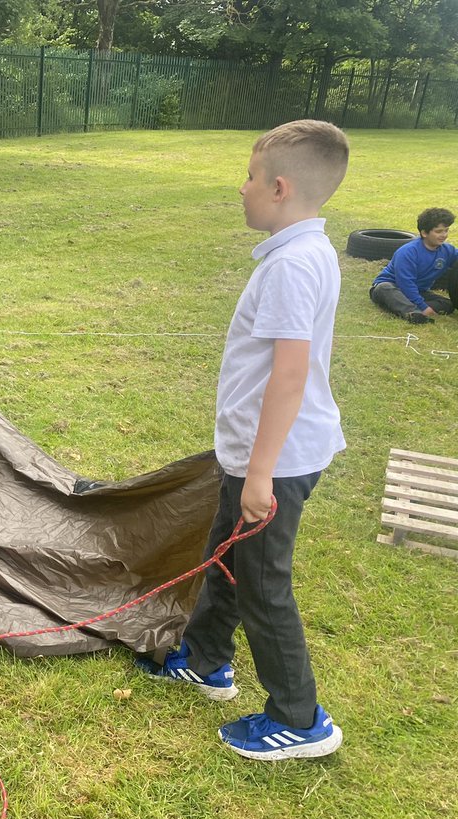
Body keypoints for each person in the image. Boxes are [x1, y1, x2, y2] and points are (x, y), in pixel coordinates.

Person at [136, 119, 349, 761]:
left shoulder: (292, 266)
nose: (242, 188)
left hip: (275, 462)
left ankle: (300, 717)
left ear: (280, 187)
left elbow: (289, 375)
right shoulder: (304, 253)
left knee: (262, 583)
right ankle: (205, 660)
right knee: (226, 554)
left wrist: (260, 476)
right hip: (260, 457)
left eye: (250, 177)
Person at [369, 207, 457, 324]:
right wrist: (424, 306)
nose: (444, 235)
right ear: (424, 233)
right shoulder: (408, 252)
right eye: (438, 231)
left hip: (419, 291)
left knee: (448, 304)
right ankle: (413, 312)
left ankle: (410, 308)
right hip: (394, 287)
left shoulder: (448, 250)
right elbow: (406, 283)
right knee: (384, 288)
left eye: (446, 230)